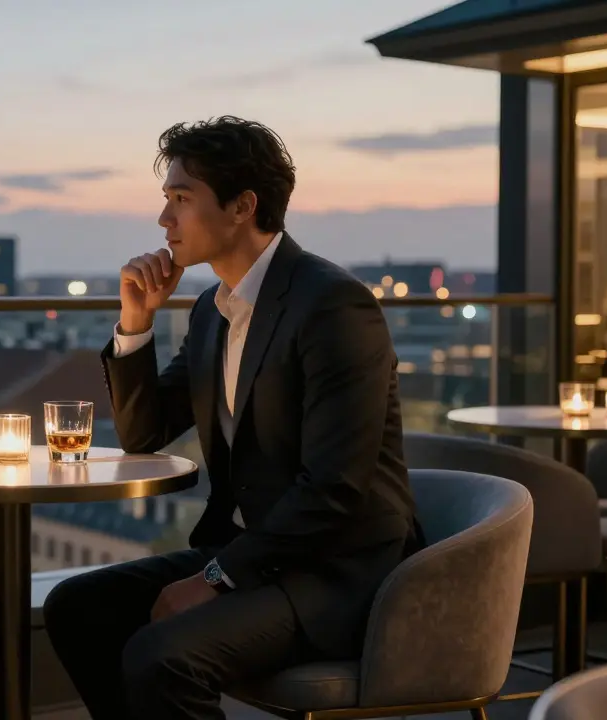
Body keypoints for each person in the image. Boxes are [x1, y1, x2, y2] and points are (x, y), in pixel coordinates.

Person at [42, 116, 423, 719]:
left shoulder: (331, 305)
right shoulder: (212, 312)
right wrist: (136, 323)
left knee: (163, 658)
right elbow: (144, 434)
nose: (164, 220)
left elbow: (334, 487)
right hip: (256, 553)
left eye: (181, 200)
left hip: (334, 572)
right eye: (166, 200)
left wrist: (216, 577)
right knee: (76, 606)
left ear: (243, 205)